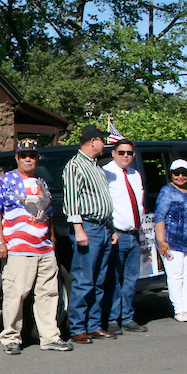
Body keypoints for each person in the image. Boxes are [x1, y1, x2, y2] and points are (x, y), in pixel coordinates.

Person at [0, 138, 72, 354]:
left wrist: (52, 240)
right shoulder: (6, 180)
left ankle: (50, 337)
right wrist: (0, 242)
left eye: (32, 155)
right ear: (17, 158)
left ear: (38, 158)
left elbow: (49, 214)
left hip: (44, 248)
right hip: (17, 248)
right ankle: (11, 338)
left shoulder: (42, 182)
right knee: (15, 293)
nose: (28, 158)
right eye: (24, 155)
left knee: (49, 294)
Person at [62, 124, 117, 344]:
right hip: (88, 227)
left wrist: (111, 228)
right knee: (84, 280)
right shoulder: (75, 166)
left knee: (99, 279)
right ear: (92, 141)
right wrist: (78, 229)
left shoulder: (96, 166)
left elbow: (103, 200)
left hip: (103, 227)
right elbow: (72, 201)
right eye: (102, 140)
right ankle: (78, 327)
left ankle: (94, 325)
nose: (104, 143)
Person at [102, 139, 148, 334]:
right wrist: (111, 230)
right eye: (121, 152)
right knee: (115, 279)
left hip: (134, 234)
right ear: (113, 153)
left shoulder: (135, 174)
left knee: (131, 279)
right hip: (117, 234)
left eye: (129, 153)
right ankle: (112, 319)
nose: (125, 156)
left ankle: (127, 316)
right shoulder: (106, 173)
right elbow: (104, 205)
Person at [154, 159, 187, 322]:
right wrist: (161, 241)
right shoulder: (167, 191)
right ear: (171, 174)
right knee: (175, 275)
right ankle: (178, 309)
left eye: (184, 173)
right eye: (176, 173)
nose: (180, 177)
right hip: (171, 240)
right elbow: (159, 217)